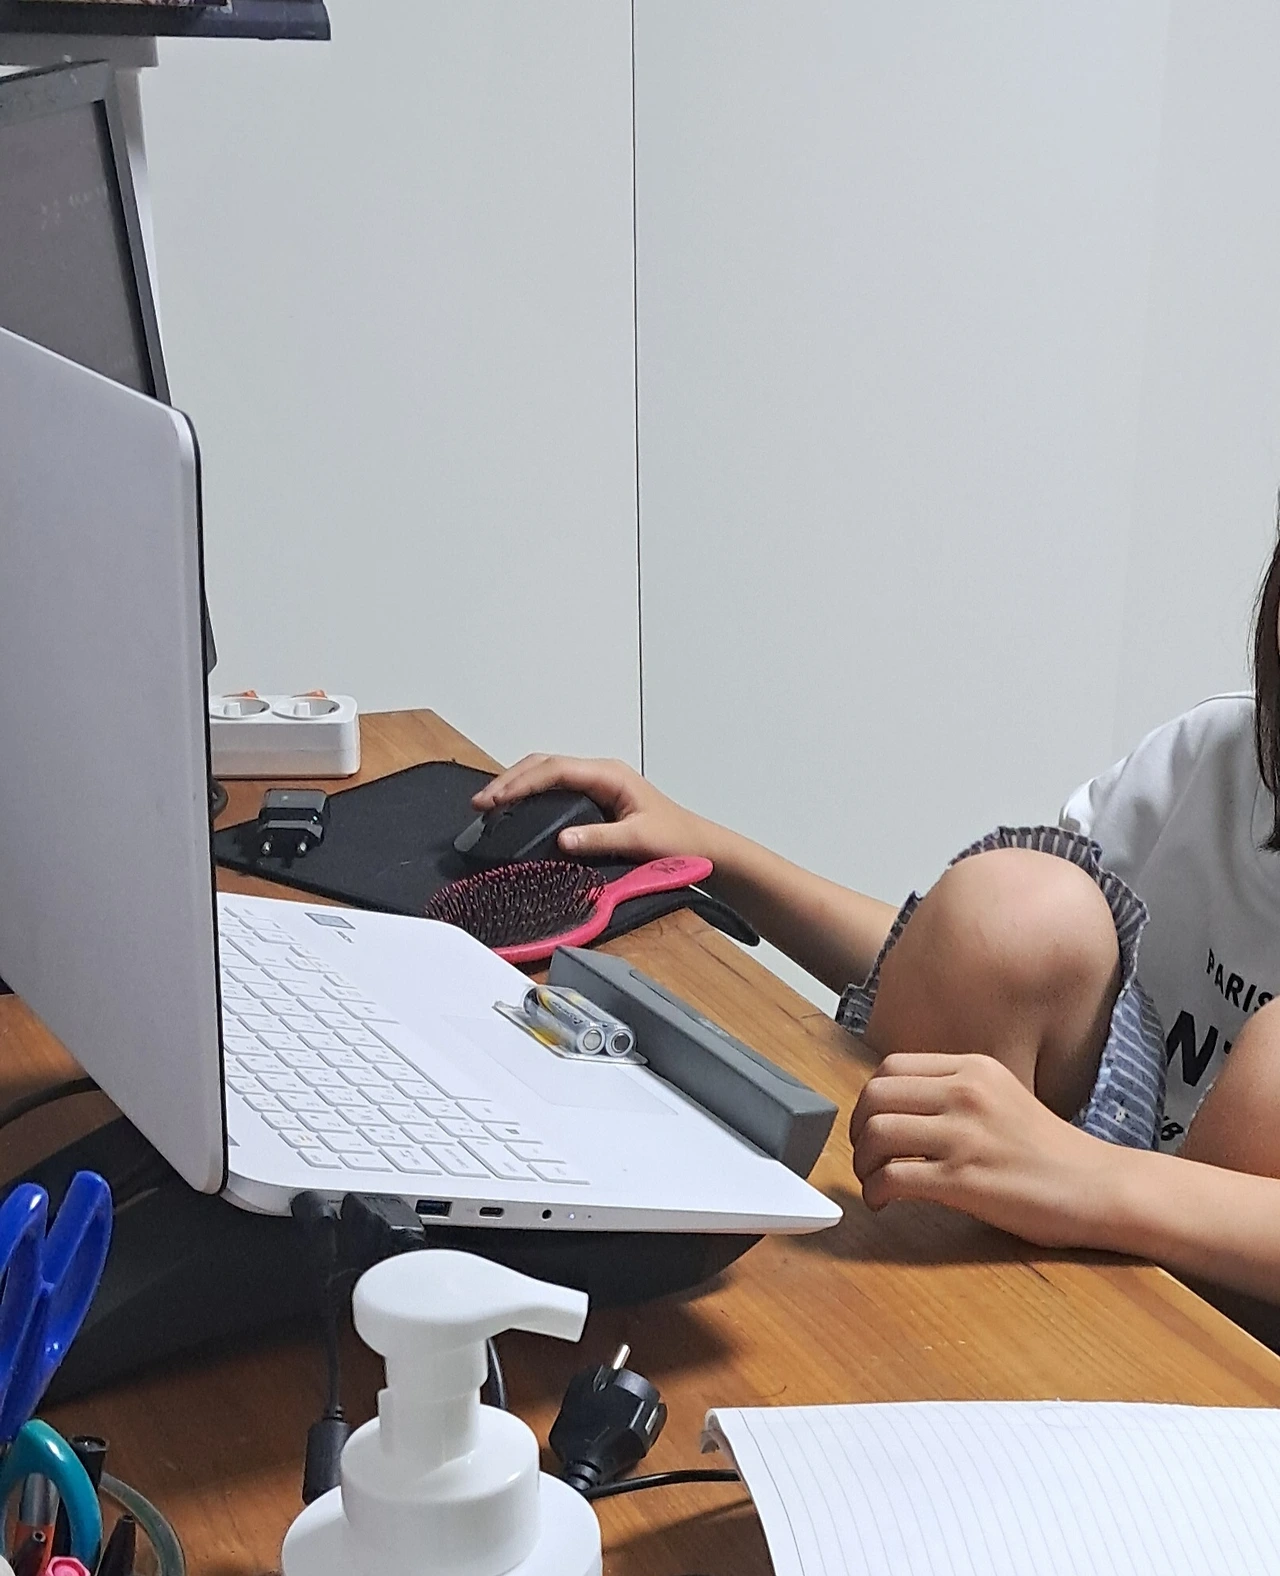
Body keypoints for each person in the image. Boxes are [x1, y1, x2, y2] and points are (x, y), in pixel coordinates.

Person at [473, 531, 1280, 1315]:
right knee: (1016, 912)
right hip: (1087, 1193)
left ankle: (1154, 1374)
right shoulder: (1209, 759)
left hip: (1215, 1301)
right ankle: (902, 1326)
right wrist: (714, 853)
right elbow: (965, 961)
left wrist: (1088, 1180)